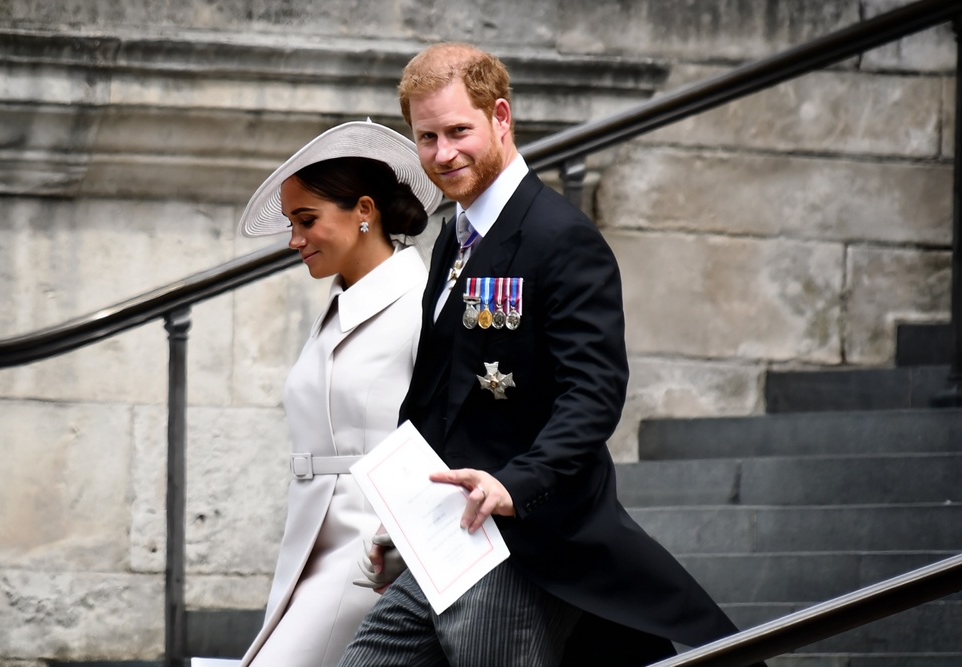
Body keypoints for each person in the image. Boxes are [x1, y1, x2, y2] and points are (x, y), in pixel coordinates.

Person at [338, 44, 760, 667]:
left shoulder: (561, 237)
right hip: (451, 542)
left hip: (529, 545)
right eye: (427, 137)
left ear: (500, 117)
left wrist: (514, 484)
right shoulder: (453, 235)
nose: (443, 154)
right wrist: (406, 524)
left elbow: (593, 395)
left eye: (459, 131)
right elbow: (439, 399)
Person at [234, 120, 441, 667]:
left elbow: (448, 432)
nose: (294, 240)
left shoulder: (423, 304)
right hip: (311, 538)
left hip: (373, 546)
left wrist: (398, 537)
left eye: (306, 221)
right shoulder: (336, 306)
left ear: (364, 211)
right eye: (290, 223)